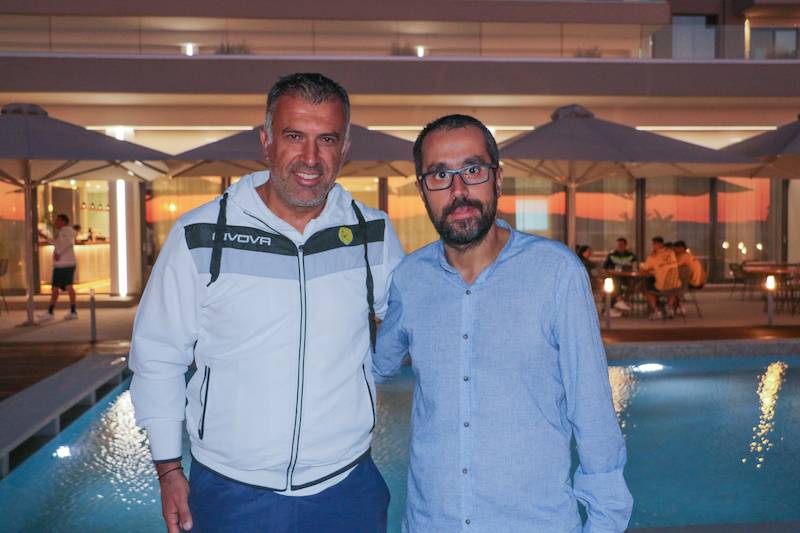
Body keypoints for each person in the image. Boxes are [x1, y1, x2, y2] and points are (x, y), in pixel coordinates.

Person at [129, 73, 404, 533]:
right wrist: (168, 467)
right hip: (230, 490)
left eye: (327, 139)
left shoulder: (371, 234)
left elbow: (415, 324)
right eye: (294, 136)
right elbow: (158, 354)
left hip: (347, 486)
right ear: (267, 142)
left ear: (344, 147)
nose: (310, 158)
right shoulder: (200, 234)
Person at [373, 114, 632, 532]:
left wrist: (604, 524)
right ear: (422, 190)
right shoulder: (410, 279)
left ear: (498, 179)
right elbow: (373, 367)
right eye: (439, 175)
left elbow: (593, 412)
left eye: (472, 170)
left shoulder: (556, 273)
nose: (458, 190)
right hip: (432, 522)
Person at [37, 213, 78, 321]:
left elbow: (68, 243)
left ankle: (67, 312)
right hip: (64, 264)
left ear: (63, 222)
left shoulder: (65, 231)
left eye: (58, 220)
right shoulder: (64, 231)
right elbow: (57, 243)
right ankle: (54, 311)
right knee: (59, 288)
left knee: (63, 287)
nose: (55, 222)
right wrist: (45, 237)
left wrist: (58, 253)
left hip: (63, 265)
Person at [639, 236, 681, 319]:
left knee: (644, 287)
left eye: (653, 245)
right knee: (671, 286)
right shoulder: (671, 253)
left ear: (656, 244)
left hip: (662, 286)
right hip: (676, 285)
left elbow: (644, 269)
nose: (652, 246)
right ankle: (670, 308)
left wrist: (645, 266)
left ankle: (657, 310)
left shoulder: (653, 256)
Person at [603, 237, 636, 313]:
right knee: (614, 283)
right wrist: (611, 271)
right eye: (618, 245)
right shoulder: (611, 255)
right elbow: (605, 268)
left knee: (630, 284)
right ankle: (619, 301)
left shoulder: (631, 255)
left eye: (621, 245)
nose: (620, 247)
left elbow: (635, 267)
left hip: (628, 277)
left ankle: (621, 302)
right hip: (614, 277)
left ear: (625, 245)